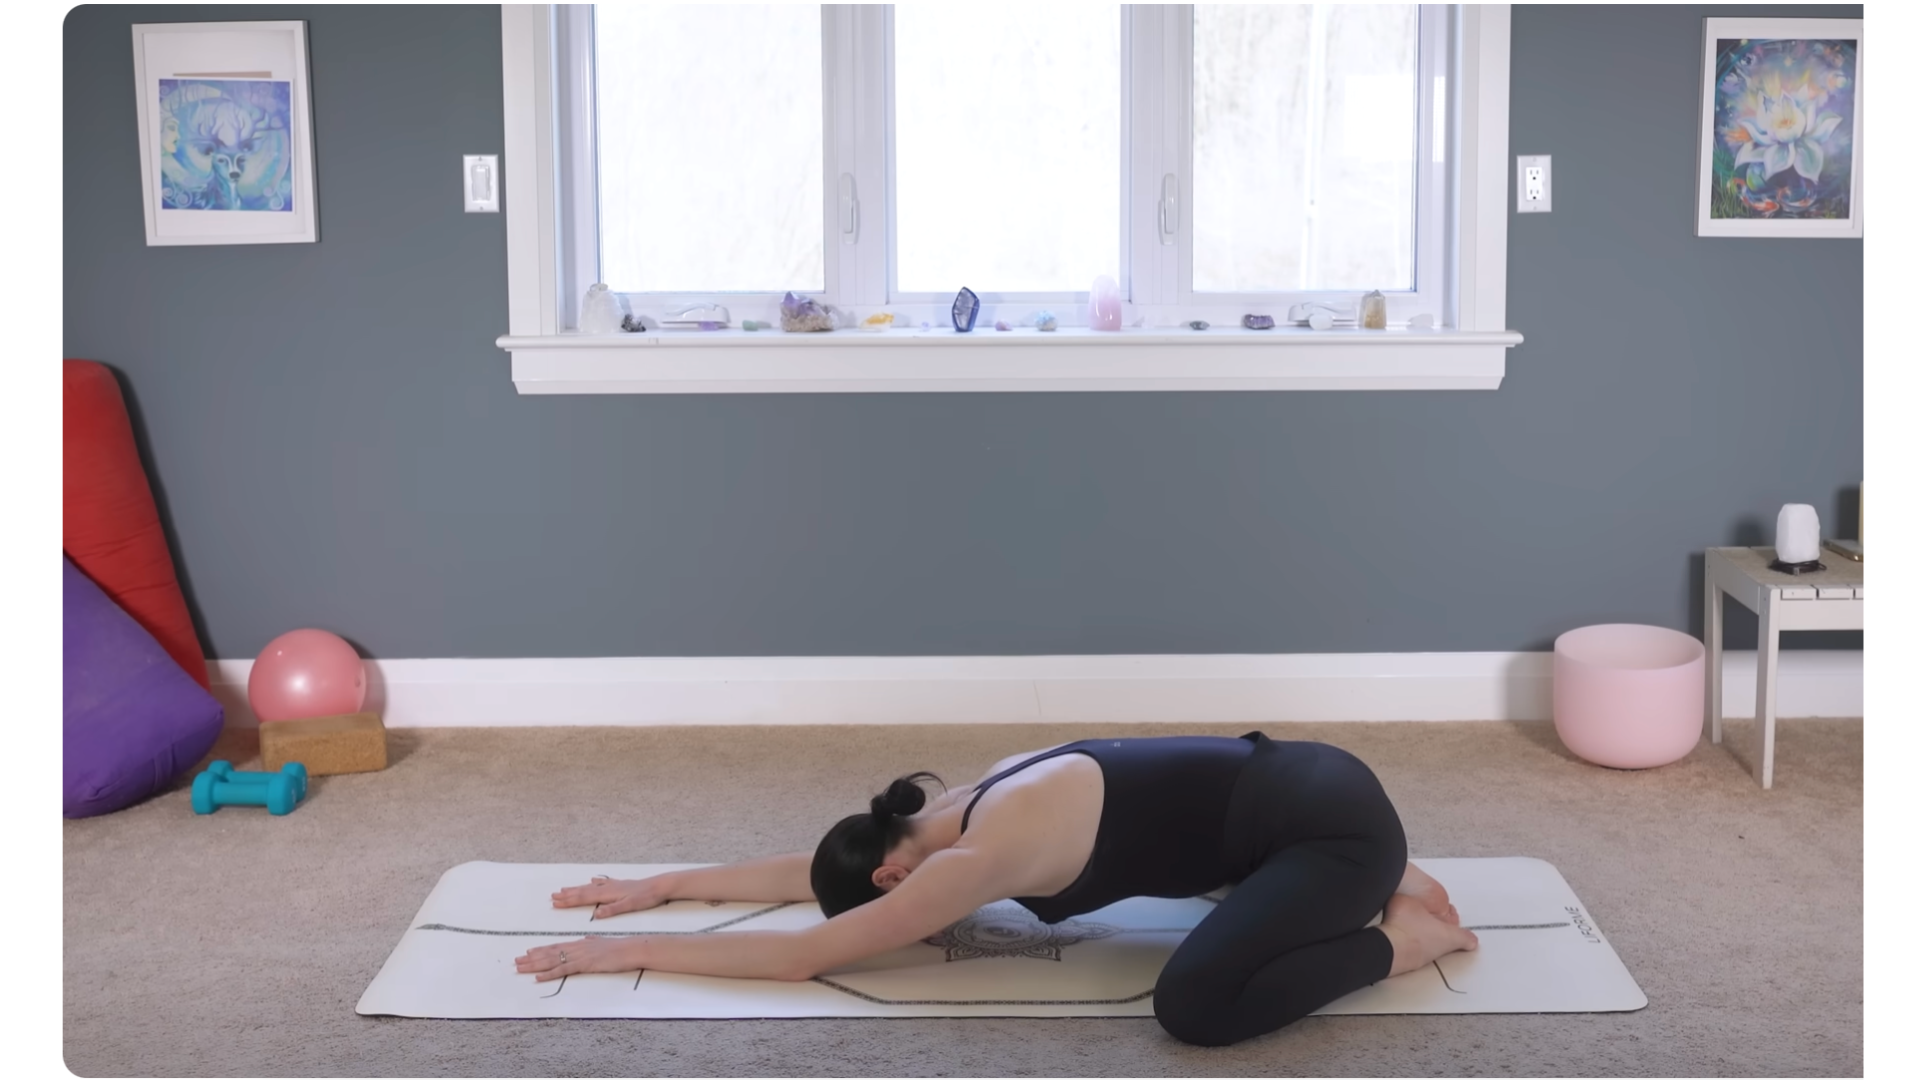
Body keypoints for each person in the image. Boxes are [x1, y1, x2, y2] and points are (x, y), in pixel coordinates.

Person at [514, 732, 1478, 1046]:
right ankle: (1379, 874)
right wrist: (666, 883)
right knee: (1213, 884)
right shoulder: (974, 795)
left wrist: (630, 950)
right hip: (1300, 775)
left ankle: (1403, 934)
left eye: (894, 908)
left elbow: (804, 955)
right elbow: (817, 871)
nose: (912, 921)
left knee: (1196, 1005)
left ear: (894, 876)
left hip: (1326, 829)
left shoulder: (973, 863)